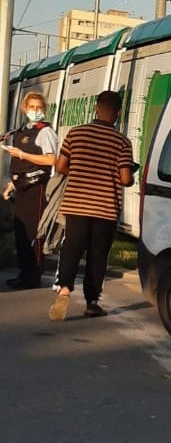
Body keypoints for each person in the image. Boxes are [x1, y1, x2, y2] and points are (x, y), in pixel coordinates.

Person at [48, 91, 135, 321]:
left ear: (96, 108)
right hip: (105, 208)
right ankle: (92, 303)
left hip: (76, 204)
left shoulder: (75, 134)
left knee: (72, 248)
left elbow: (60, 166)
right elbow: (125, 178)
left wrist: (77, 171)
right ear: (117, 113)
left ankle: (64, 289)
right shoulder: (122, 142)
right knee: (97, 255)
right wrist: (128, 176)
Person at [2, 92, 59, 289]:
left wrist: (22, 154)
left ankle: (33, 275)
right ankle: (24, 272)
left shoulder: (45, 132)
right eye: (32, 107)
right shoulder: (21, 131)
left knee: (33, 232)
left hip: (36, 188)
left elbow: (51, 160)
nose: (35, 111)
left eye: (39, 107)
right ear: (25, 109)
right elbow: (18, 164)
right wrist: (12, 184)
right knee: (20, 233)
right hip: (21, 188)